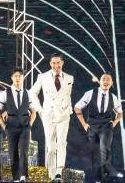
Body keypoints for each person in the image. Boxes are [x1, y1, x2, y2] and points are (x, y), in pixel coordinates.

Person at [29, 53, 75, 182]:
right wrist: (40, 110)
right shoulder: (42, 77)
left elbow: (68, 95)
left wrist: (69, 108)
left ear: (62, 63)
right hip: (48, 115)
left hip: (64, 115)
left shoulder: (69, 78)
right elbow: (32, 93)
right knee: (50, 147)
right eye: (53, 63)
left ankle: (59, 172)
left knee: (62, 143)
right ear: (50, 64)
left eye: (58, 62)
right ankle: (51, 174)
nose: (56, 65)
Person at [75, 73, 123, 183]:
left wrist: (114, 122)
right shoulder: (90, 93)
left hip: (106, 127)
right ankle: (99, 178)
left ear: (111, 83)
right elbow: (77, 107)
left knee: (104, 149)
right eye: (103, 79)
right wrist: (84, 124)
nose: (106, 81)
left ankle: (105, 174)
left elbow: (120, 113)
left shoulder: (113, 97)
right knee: (94, 153)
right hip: (92, 127)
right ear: (100, 82)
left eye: (108, 80)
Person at [0, 69, 38, 182]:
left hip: (25, 127)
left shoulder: (28, 93)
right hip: (11, 127)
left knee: (24, 151)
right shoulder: (5, 93)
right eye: (15, 76)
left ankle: (23, 176)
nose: (18, 78)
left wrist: (29, 125)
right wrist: (4, 126)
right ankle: (16, 178)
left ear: (23, 77)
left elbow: (33, 112)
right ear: (12, 78)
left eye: (20, 76)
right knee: (12, 152)